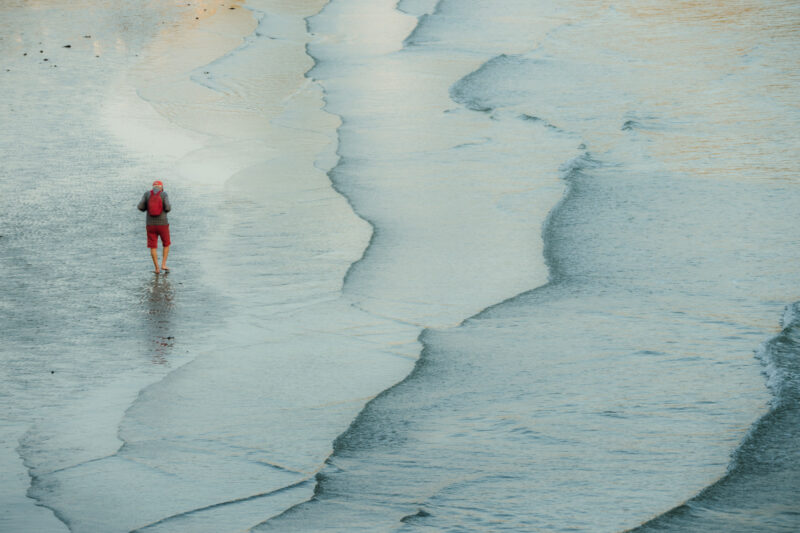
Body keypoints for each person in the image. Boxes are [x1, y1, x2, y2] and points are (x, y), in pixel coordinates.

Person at [137, 180, 172, 273]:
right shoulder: (164, 194)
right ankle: (163, 264)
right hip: (163, 224)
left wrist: (147, 208)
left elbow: (140, 207)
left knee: (153, 246)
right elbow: (168, 207)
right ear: (161, 187)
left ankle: (156, 268)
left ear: (153, 187)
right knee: (166, 244)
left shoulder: (147, 194)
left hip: (150, 225)